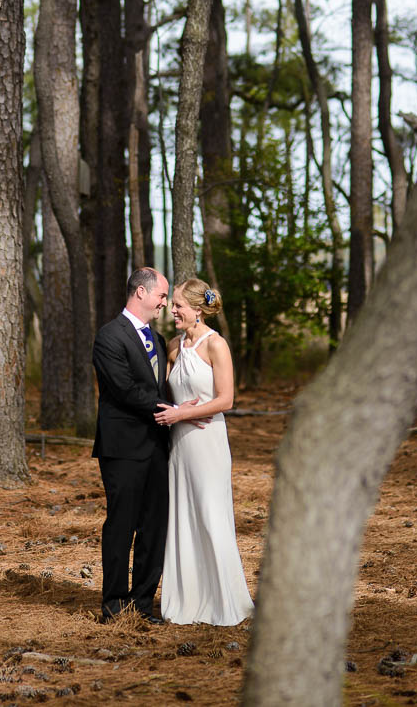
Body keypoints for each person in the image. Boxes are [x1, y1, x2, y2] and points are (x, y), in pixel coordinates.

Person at [154, 278, 254, 626]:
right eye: (172, 304)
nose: (172, 309)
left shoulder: (216, 345)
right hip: (179, 446)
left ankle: (224, 600)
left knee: (211, 516)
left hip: (208, 443)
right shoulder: (172, 346)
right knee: (183, 518)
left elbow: (226, 400)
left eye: (178, 304)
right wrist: (174, 414)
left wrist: (184, 413)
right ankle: (188, 599)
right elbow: (165, 397)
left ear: (198, 309)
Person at [92, 267, 171, 623]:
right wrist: (170, 410)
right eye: (161, 296)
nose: (164, 303)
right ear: (141, 292)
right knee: (121, 525)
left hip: (157, 446)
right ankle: (113, 603)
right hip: (122, 448)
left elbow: (161, 386)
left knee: (154, 527)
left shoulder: (159, 339)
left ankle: (142, 603)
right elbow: (124, 390)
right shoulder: (110, 336)